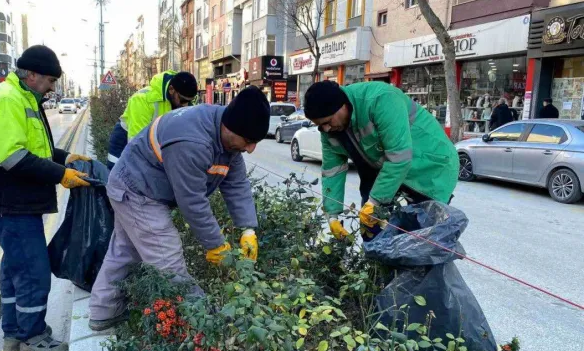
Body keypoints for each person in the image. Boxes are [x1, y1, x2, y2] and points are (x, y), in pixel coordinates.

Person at [89, 87, 270, 331]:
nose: (250, 149)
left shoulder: (227, 136)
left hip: (139, 184)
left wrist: (248, 228)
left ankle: (103, 312)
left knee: (125, 250)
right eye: (248, 141)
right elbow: (192, 202)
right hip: (136, 189)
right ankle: (201, 320)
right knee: (167, 254)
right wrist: (215, 244)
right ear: (229, 127)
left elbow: (236, 183)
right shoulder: (192, 141)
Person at [0, 45, 92, 351]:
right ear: (33, 74)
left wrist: (65, 158)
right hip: (8, 202)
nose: (53, 87)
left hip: (15, 201)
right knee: (33, 270)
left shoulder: (25, 98)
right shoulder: (6, 100)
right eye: (50, 80)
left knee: (15, 268)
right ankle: (32, 335)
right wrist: (60, 174)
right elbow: (14, 158)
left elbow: (36, 149)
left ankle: (13, 332)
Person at [303, 81, 459, 242]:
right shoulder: (330, 130)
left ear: (342, 106)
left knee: (422, 237)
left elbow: (399, 158)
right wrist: (333, 216)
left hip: (430, 166)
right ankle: (380, 265)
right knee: (372, 229)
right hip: (382, 167)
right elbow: (332, 171)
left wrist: (374, 201)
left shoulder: (381, 99)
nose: (326, 129)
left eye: (328, 122)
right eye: (320, 126)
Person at [107, 70, 198, 169]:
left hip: (155, 141)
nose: (185, 105)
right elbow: (137, 142)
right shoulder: (143, 99)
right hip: (125, 141)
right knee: (118, 177)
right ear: (171, 90)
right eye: (183, 100)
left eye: (189, 102)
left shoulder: (182, 101)